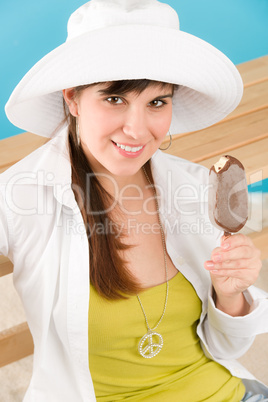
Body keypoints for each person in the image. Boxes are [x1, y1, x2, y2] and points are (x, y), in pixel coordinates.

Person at [2, 0, 268, 401]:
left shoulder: (195, 188)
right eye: (115, 99)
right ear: (72, 98)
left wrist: (230, 295)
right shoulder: (23, 194)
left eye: (157, 102)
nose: (137, 129)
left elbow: (225, 349)